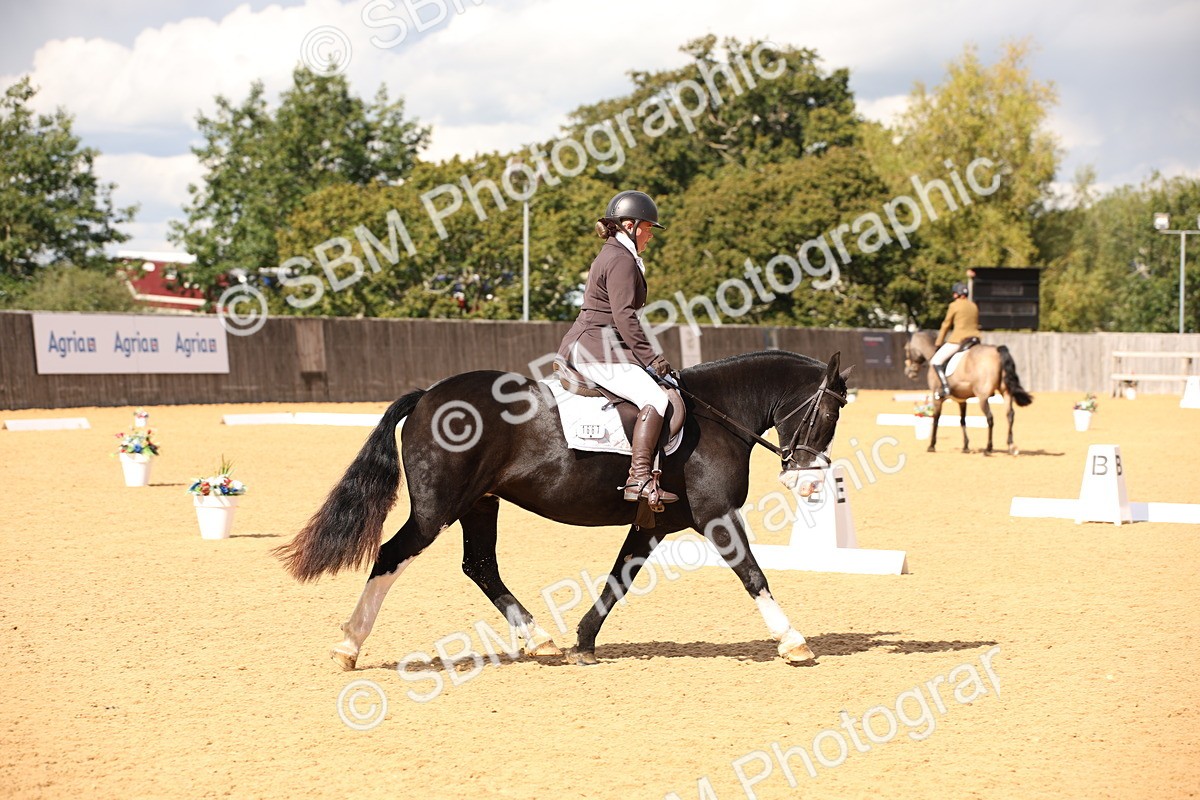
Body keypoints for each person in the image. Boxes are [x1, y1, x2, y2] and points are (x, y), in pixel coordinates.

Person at [557, 190, 678, 506]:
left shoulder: (617, 254)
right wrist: (651, 358)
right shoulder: (621, 259)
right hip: (595, 349)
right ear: (629, 224)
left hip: (601, 346)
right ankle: (638, 478)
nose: (650, 234)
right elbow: (624, 315)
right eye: (648, 227)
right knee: (655, 397)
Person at [930, 281, 982, 400]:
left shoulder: (954, 305)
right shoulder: (974, 306)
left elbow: (946, 324)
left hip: (959, 340)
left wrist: (939, 342)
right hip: (975, 340)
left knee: (936, 360)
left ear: (956, 294)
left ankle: (945, 387)